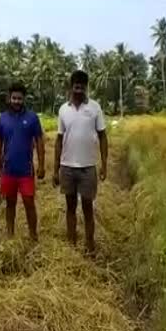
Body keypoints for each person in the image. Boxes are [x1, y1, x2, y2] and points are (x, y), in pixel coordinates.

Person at [53, 69, 108, 252]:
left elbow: (103, 137)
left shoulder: (95, 108)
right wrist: (55, 170)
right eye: (76, 86)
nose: (79, 90)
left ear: (86, 88)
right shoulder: (63, 109)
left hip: (88, 168)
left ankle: (90, 246)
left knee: (87, 207)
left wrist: (104, 165)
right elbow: (59, 140)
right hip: (67, 167)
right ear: (71, 87)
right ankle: (71, 244)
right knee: (70, 207)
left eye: (82, 87)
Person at [0, 82, 45, 241]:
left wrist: (42, 165)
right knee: (10, 204)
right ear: (9, 98)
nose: (16, 101)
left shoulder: (32, 118)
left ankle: (33, 236)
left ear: (24, 99)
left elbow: (40, 141)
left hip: (26, 171)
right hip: (8, 170)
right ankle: (10, 235)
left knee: (29, 204)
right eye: (14, 98)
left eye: (19, 98)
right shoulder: (3, 118)